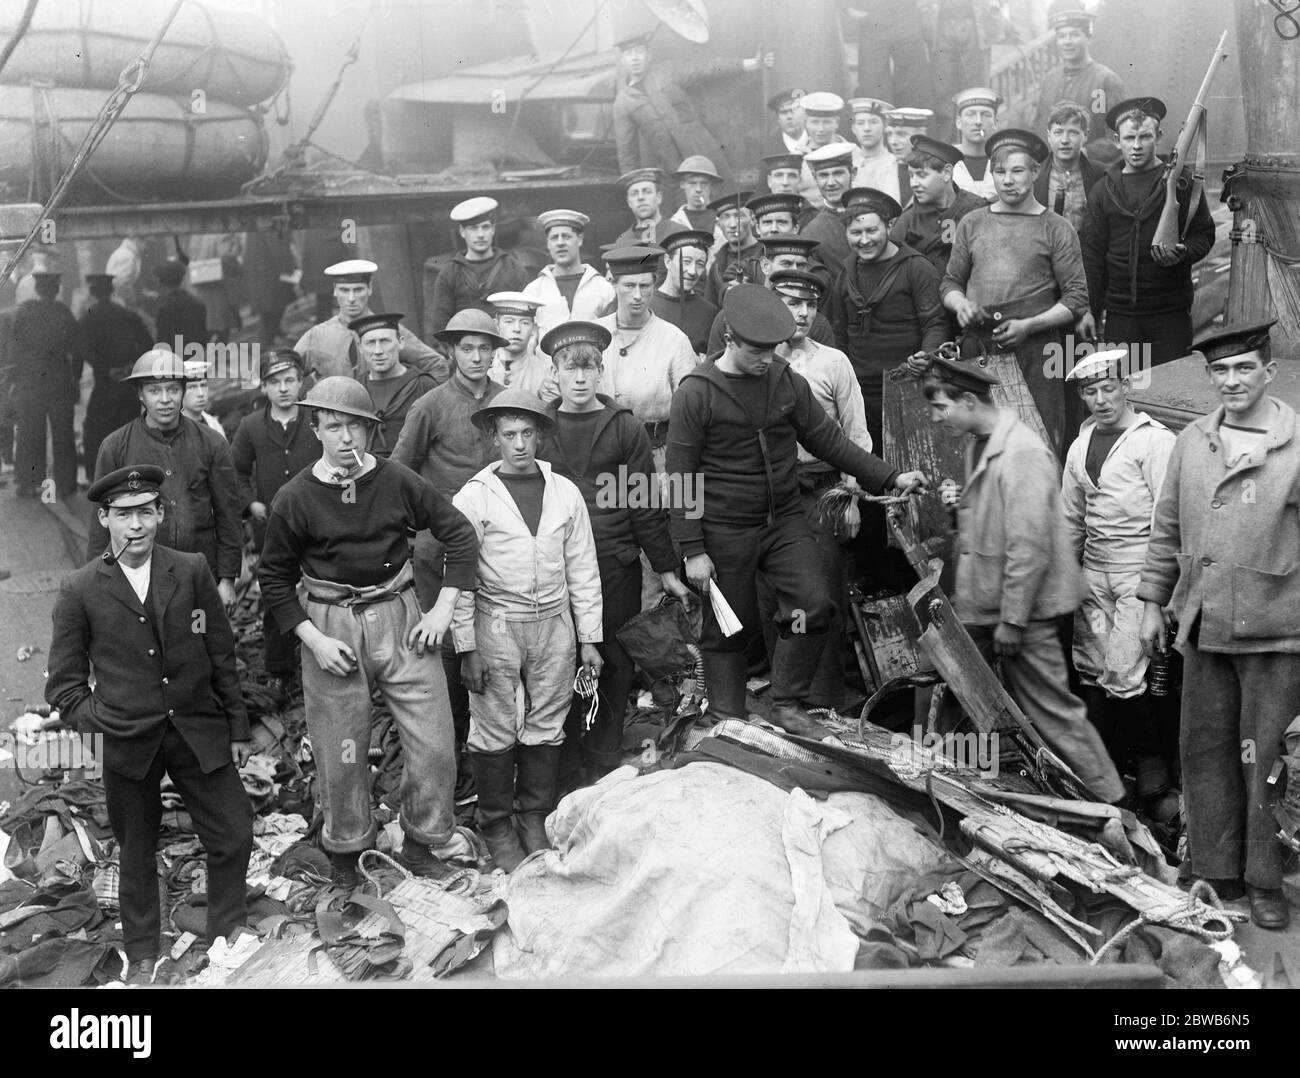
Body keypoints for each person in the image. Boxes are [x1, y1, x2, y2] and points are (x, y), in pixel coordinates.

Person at [668, 284, 928, 735]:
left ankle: (787, 705)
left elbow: (829, 441)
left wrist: (890, 477)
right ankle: (725, 717)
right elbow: (681, 477)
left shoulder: (785, 380)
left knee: (813, 604)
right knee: (730, 626)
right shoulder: (696, 392)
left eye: (772, 349)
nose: (766, 358)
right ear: (729, 338)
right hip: (724, 530)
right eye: (756, 350)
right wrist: (692, 550)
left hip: (784, 521)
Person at [258, 376, 479, 888]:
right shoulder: (295, 497)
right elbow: (273, 578)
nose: (345, 438)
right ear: (316, 430)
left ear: (370, 430)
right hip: (332, 626)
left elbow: (459, 535)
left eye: (355, 426)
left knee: (435, 744)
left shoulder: (398, 480)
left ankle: (423, 842)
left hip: (401, 618)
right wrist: (312, 638)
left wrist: (443, 608)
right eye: (333, 426)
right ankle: (347, 851)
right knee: (342, 750)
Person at [46, 463, 254, 985]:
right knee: (136, 849)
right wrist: (105, 723)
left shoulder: (190, 569)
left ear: (161, 514)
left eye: (145, 512)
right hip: (127, 741)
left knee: (233, 831)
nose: (135, 526)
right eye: (123, 515)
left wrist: (237, 727)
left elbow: (220, 650)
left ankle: (227, 931)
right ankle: (142, 952)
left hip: (195, 728)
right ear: (105, 519)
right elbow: (64, 687)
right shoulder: (80, 588)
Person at [1138, 321, 1300, 930]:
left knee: (1266, 761)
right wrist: (1153, 601)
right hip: (1204, 621)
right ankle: (1212, 867)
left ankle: (1264, 880)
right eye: (1221, 371)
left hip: (1277, 627)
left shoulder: (1294, 440)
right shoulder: (1192, 441)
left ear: (1268, 372)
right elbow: (1167, 526)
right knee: (1205, 751)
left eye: (1243, 369)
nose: (1231, 381)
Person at [920, 353, 1125, 803]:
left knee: (1053, 712)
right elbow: (995, 523)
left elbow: (1028, 547)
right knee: (951, 683)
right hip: (985, 606)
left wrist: (1013, 620)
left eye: (941, 408)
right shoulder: (980, 440)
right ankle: (952, 786)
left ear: (969, 400)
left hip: (1021, 611)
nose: (936, 418)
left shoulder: (1023, 453)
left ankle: (1114, 806)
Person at [452, 388, 603, 871]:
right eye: (509, 434)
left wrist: (589, 638)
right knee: (494, 723)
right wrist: (466, 646)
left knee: (548, 718)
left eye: (527, 434)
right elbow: (460, 574)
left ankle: (533, 814)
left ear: (540, 436)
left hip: (554, 623)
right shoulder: (475, 497)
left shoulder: (565, 492)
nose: (519, 444)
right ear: (494, 439)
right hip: (496, 622)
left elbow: (582, 567)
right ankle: (496, 822)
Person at [536, 321, 691, 782]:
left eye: (589, 368)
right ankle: (562, 760)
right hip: (554, 567)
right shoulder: (539, 427)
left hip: (613, 563)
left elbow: (644, 504)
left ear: (601, 371)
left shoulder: (623, 427)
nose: (580, 378)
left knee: (613, 661)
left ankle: (601, 757)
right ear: (556, 372)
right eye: (570, 368)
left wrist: (665, 568)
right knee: (559, 661)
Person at [393, 309, 507, 809]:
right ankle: (451, 758)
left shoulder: (509, 402)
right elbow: (399, 471)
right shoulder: (431, 405)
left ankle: (498, 755)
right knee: (445, 652)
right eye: (467, 348)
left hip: (503, 542)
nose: (477, 357)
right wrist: (418, 529)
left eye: (485, 348)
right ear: (452, 351)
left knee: (498, 640)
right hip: (440, 545)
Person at [1060, 349, 1177, 820]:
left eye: (1109, 388)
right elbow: (1069, 517)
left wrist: (1158, 592)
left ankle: (1149, 759)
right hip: (1093, 570)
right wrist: (1066, 576)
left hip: (1137, 569)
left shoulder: (1154, 442)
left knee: (1125, 669)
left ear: (1127, 386)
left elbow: (1167, 522)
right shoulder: (1080, 443)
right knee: (1089, 666)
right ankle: (1103, 762)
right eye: (1091, 391)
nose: (1101, 399)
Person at [941, 128, 1091, 457]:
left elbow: (1076, 298)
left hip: (1036, 353)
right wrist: (962, 305)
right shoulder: (972, 222)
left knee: (1037, 443)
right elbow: (950, 282)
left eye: (1017, 170)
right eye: (999, 171)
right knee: (979, 446)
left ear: (1035, 172)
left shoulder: (1056, 227)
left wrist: (1029, 326)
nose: (1007, 180)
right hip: (979, 350)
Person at [768, 269, 873, 710]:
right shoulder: (757, 361)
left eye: (810, 304)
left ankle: (825, 697)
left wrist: (850, 500)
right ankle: (785, 697)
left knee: (823, 593)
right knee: (779, 597)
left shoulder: (833, 362)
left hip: (823, 492)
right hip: (773, 493)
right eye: (792, 302)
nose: (804, 312)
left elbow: (856, 434)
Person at [87, 349, 242, 611]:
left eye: (173, 389)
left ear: (183, 391)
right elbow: (99, 525)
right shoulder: (115, 447)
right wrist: (96, 586)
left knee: (200, 644)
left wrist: (227, 580)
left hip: (200, 575)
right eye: (155, 391)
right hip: (138, 578)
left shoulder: (212, 443)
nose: (165, 399)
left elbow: (229, 515)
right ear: (140, 394)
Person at [1080, 97, 1217, 369]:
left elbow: (1204, 234)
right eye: (1130, 138)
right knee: (1129, 389)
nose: (1137, 145)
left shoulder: (1182, 182)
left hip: (1171, 312)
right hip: (1121, 315)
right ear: (1117, 140)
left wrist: (1185, 253)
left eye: (1145, 136)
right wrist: (1090, 310)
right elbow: (1092, 257)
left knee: (1173, 390)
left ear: (1160, 136)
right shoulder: (1103, 191)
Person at [828, 188, 948, 451]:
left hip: (908, 386)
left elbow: (935, 324)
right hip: (859, 390)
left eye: (872, 231)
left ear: (890, 225)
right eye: (855, 233)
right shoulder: (845, 275)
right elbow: (839, 334)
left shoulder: (917, 268)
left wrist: (926, 357)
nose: (864, 240)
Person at [230, 349, 318, 687]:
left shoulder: (315, 419)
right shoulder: (251, 426)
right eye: (274, 382)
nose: (283, 388)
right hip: (271, 528)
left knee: (322, 591)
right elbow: (235, 473)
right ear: (264, 387)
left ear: (300, 383)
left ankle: (322, 661)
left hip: (316, 525)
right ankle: (280, 669)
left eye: (289, 381)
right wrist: (251, 504)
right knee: (275, 593)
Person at [611, 31, 773, 177]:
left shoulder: (668, 71)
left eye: (639, 51)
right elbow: (627, 152)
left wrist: (752, 63)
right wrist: (632, 186)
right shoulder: (624, 101)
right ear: (623, 61)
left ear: (649, 55)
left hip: (703, 152)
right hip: (671, 168)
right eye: (628, 54)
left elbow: (706, 68)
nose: (635, 58)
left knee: (722, 197)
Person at [595, 246, 698, 460]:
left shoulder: (674, 340)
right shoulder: (593, 333)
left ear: (655, 285)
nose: (637, 295)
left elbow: (688, 413)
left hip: (656, 454)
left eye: (645, 286)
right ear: (614, 284)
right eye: (629, 285)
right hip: (601, 452)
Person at [295, 259, 445, 381]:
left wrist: (420, 405)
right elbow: (287, 375)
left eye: (358, 290)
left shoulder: (389, 330)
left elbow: (436, 364)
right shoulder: (317, 335)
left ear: (370, 289)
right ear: (335, 290)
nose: (351, 299)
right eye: (345, 290)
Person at [75, 273, 155, 474]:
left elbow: (82, 352)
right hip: (128, 381)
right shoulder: (127, 314)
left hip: (105, 383)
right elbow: (148, 345)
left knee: (95, 429)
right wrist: (131, 366)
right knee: (129, 427)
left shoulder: (87, 318)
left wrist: (102, 370)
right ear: (112, 291)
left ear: (92, 293)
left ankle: (100, 474)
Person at [704, 235, 836, 356]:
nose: (794, 271)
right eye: (786, 264)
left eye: (801, 265)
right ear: (765, 266)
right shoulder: (733, 315)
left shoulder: (816, 324)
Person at [12, 272, 79, 499]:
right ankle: (66, 484)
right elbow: (76, 350)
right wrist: (76, 380)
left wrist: (12, 379)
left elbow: (13, 348)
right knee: (63, 434)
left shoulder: (24, 312)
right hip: (59, 381)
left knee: (29, 432)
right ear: (57, 289)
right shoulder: (64, 313)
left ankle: (28, 483)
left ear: (37, 289)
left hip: (30, 381)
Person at [1032, 3, 1124, 166]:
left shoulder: (1105, 80)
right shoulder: (1050, 79)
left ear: (1088, 37)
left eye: (1074, 35)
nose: (1067, 42)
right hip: (1051, 170)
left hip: (1092, 170)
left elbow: (1116, 137)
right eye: (1061, 36)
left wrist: (1084, 152)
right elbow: (1040, 128)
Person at [429, 197, 530, 337]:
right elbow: (440, 324)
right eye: (473, 228)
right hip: (466, 350)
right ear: (462, 232)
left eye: (485, 227)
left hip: (506, 349)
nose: (480, 234)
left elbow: (527, 316)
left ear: (493, 229)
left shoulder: (513, 268)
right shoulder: (450, 272)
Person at [890, 134, 987, 275]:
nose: (913, 184)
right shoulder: (907, 221)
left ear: (946, 173)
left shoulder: (977, 209)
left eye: (922, 175)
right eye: (911, 175)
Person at [352, 312, 437, 457]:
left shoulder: (424, 385)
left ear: (401, 342)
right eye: (370, 343)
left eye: (385, 341)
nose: (378, 351)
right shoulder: (354, 390)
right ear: (360, 347)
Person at [522, 209, 616, 337]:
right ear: (548, 244)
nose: (560, 243)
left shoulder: (603, 288)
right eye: (554, 238)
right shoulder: (534, 291)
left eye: (566, 236)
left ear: (580, 239)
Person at [921, 1, 1007, 133]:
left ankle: (976, 143)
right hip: (940, 23)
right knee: (943, 92)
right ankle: (946, 147)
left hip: (975, 24)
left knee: (976, 93)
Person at [841, 1, 933, 109]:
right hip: (871, 16)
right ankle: (877, 122)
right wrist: (848, 9)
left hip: (906, 14)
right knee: (872, 83)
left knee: (913, 82)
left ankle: (911, 124)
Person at [1034, 100, 1105, 232]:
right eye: (1058, 132)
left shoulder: (1101, 175)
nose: (1065, 140)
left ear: (1085, 135)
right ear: (1049, 136)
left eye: (1072, 133)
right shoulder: (1034, 176)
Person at [650, 228, 718, 356]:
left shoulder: (711, 314)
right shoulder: (645, 307)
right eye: (686, 262)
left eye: (700, 264)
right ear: (668, 261)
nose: (693, 271)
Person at [800, 143, 857, 282]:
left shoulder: (875, 217)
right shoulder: (811, 233)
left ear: (853, 173)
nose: (831, 182)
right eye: (824, 175)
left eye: (838, 173)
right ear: (815, 178)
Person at [485, 292, 555, 399]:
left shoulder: (544, 374)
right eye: (509, 322)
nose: (517, 329)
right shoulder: (482, 368)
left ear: (534, 329)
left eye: (525, 323)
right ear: (497, 325)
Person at [702, 191, 761, 306]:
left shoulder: (764, 255)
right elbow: (710, 309)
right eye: (725, 217)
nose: (733, 224)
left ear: (753, 220)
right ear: (718, 224)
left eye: (739, 216)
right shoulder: (716, 267)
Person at [241, 229, 299, 348]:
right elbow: (277, 249)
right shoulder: (270, 225)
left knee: (269, 311)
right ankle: (266, 345)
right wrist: (289, 268)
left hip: (260, 274)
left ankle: (270, 337)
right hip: (269, 276)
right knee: (271, 312)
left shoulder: (260, 222)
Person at [849, 96, 910, 204]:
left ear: (885, 126)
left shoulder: (893, 164)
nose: (866, 128)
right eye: (860, 123)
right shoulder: (850, 160)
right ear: (853, 128)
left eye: (873, 122)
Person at [798, 92, 853, 209]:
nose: (821, 129)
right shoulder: (797, 157)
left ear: (837, 123)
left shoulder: (853, 151)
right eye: (814, 122)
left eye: (827, 122)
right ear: (805, 123)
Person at [950, 86, 1002, 199]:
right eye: (970, 114)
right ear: (958, 122)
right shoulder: (947, 162)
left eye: (985, 115)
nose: (978, 121)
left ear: (996, 123)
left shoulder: (1005, 161)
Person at [153, 260, 208, 359]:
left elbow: (163, 341)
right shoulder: (197, 303)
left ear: (159, 282)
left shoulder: (165, 308)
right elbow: (203, 337)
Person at [612, 168, 678, 247]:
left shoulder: (677, 233)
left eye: (647, 191)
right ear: (629, 202)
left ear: (659, 197)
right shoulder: (622, 242)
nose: (640, 197)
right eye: (634, 193)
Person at [668, 155, 722, 237]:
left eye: (704, 183)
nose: (698, 189)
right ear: (682, 184)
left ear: (711, 185)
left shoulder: (723, 219)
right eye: (692, 183)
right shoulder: (674, 223)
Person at [180, 358, 225, 439]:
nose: (200, 393)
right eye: (192, 387)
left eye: (203, 385)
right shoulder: (173, 427)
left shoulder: (214, 425)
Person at [764, 87, 808, 157]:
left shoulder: (818, 141)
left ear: (804, 114)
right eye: (783, 112)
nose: (789, 116)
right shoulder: (767, 148)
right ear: (778, 119)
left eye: (794, 111)